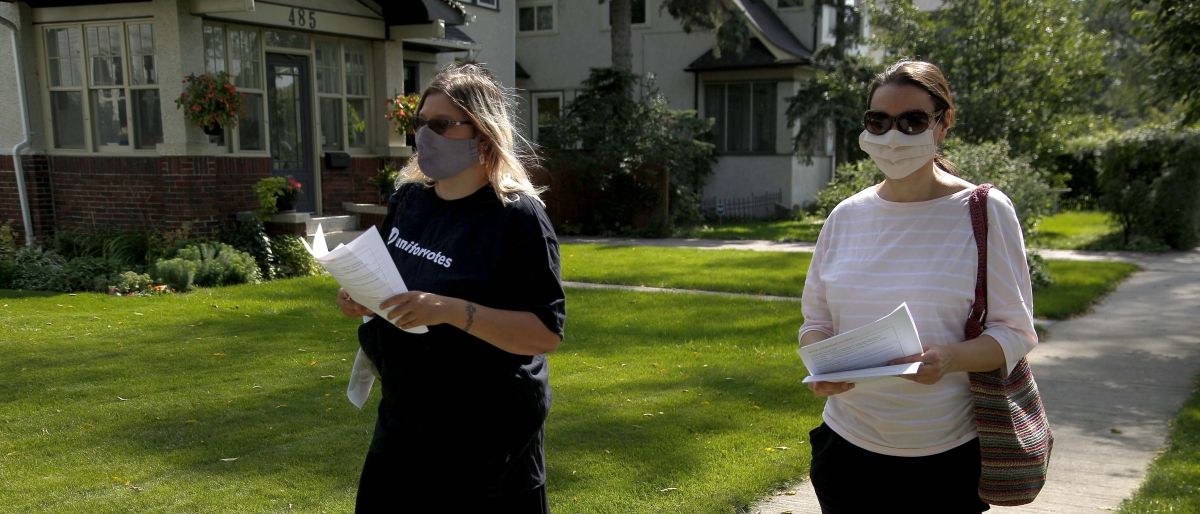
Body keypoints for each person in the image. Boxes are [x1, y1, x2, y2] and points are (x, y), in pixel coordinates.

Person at [799, 59, 1038, 513]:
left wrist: (950, 359)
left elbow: (1015, 333)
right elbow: (817, 321)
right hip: (845, 452)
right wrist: (821, 363)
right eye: (879, 121)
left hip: (944, 462)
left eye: (912, 121)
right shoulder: (845, 217)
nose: (893, 136)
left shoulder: (985, 211)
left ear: (943, 122)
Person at [335, 63, 566, 513]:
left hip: (486, 444)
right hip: (404, 425)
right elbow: (390, 279)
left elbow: (544, 333)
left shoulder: (516, 218)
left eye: (440, 125)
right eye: (418, 123)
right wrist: (358, 297)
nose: (423, 135)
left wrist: (448, 309)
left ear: (483, 133)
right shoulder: (409, 200)